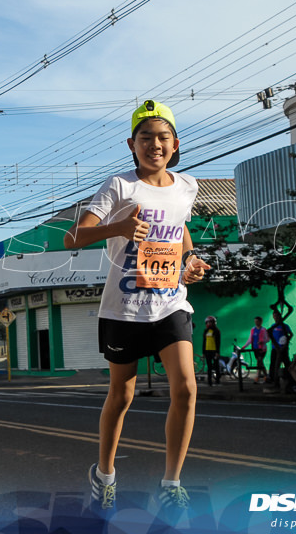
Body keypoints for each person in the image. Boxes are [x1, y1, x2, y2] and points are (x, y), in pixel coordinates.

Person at [64, 99, 211, 515]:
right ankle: (105, 475)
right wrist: (121, 227)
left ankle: (171, 482)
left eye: (163, 137)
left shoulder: (187, 186)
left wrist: (189, 259)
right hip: (124, 308)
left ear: (175, 143)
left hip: (169, 304)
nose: (155, 145)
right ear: (132, 144)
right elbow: (74, 238)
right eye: (146, 138)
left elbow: (179, 228)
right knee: (121, 395)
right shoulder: (120, 186)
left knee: (185, 388)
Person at [266, 309, 293, 387]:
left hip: (283, 348)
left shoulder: (285, 326)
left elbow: (291, 334)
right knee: (273, 363)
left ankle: (290, 377)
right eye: (274, 316)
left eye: (277, 316)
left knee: (286, 362)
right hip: (275, 348)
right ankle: (273, 378)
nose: (275, 317)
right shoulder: (272, 326)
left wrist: (286, 341)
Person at [244, 316, 270, 383]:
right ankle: (266, 376)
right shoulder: (253, 329)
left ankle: (257, 377)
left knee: (259, 361)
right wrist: (244, 347)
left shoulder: (263, 330)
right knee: (261, 363)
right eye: (255, 321)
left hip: (262, 349)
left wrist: (262, 341)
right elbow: (250, 339)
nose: (256, 323)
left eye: (257, 321)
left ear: (261, 322)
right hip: (255, 349)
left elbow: (268, 339)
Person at [201, 316, 221, 386]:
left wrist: (217, 352)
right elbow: (204, 342)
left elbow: (218, 342)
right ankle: (209, 382)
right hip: (207, 351)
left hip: (214, 351)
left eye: (210, 322)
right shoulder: (206, 331)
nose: (209, 323)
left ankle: (217, 381)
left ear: (213, 323)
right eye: (207, 322)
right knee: (209, 367)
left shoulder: (217, 331)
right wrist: (203, 352)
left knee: (216, 366)